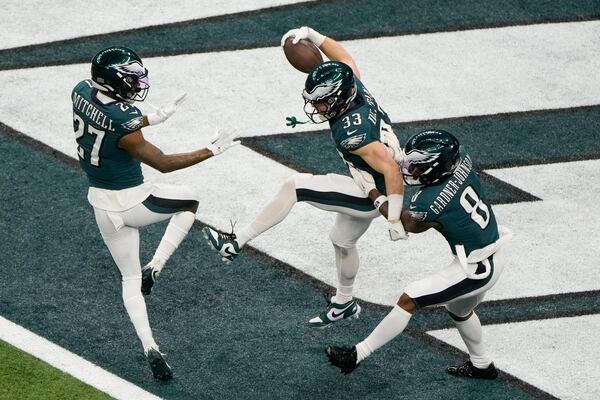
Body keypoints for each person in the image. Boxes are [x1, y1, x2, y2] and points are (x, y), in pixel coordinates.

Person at [202, 26, 407, 328]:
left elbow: (390, 168)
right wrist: (314, 35)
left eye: (321, 102)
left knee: (295, 186)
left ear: (338, 99)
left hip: (374, 193)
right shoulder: (354, 87)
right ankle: (344, 302)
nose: (315, 107)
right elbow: (344, 57)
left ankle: (236, 242)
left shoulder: (352, 131)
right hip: (370, 179)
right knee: (341, 239)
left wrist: (393, 218)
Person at [71, 46, 238, 380]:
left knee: (128, 280)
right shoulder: (123, 122)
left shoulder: (79, 91)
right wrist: (210, 150)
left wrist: (149, 118)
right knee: (190, 200)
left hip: (101, 204)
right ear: (113, 81)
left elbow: (110, 123)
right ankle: (156, 266)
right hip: (133, 201)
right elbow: (161, 162)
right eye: (130, 80)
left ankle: (150, 347)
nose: (136, 85)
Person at [326, 130, 512, 379]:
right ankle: (482, 365)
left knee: (409, 300)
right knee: (459, 310)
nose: (409, 169)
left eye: (417, 166)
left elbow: (404, 225)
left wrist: (373, 192)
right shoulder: (461, 158)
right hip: (493, 251)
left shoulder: (430, 202)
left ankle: (356, 355)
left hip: (477, 268)